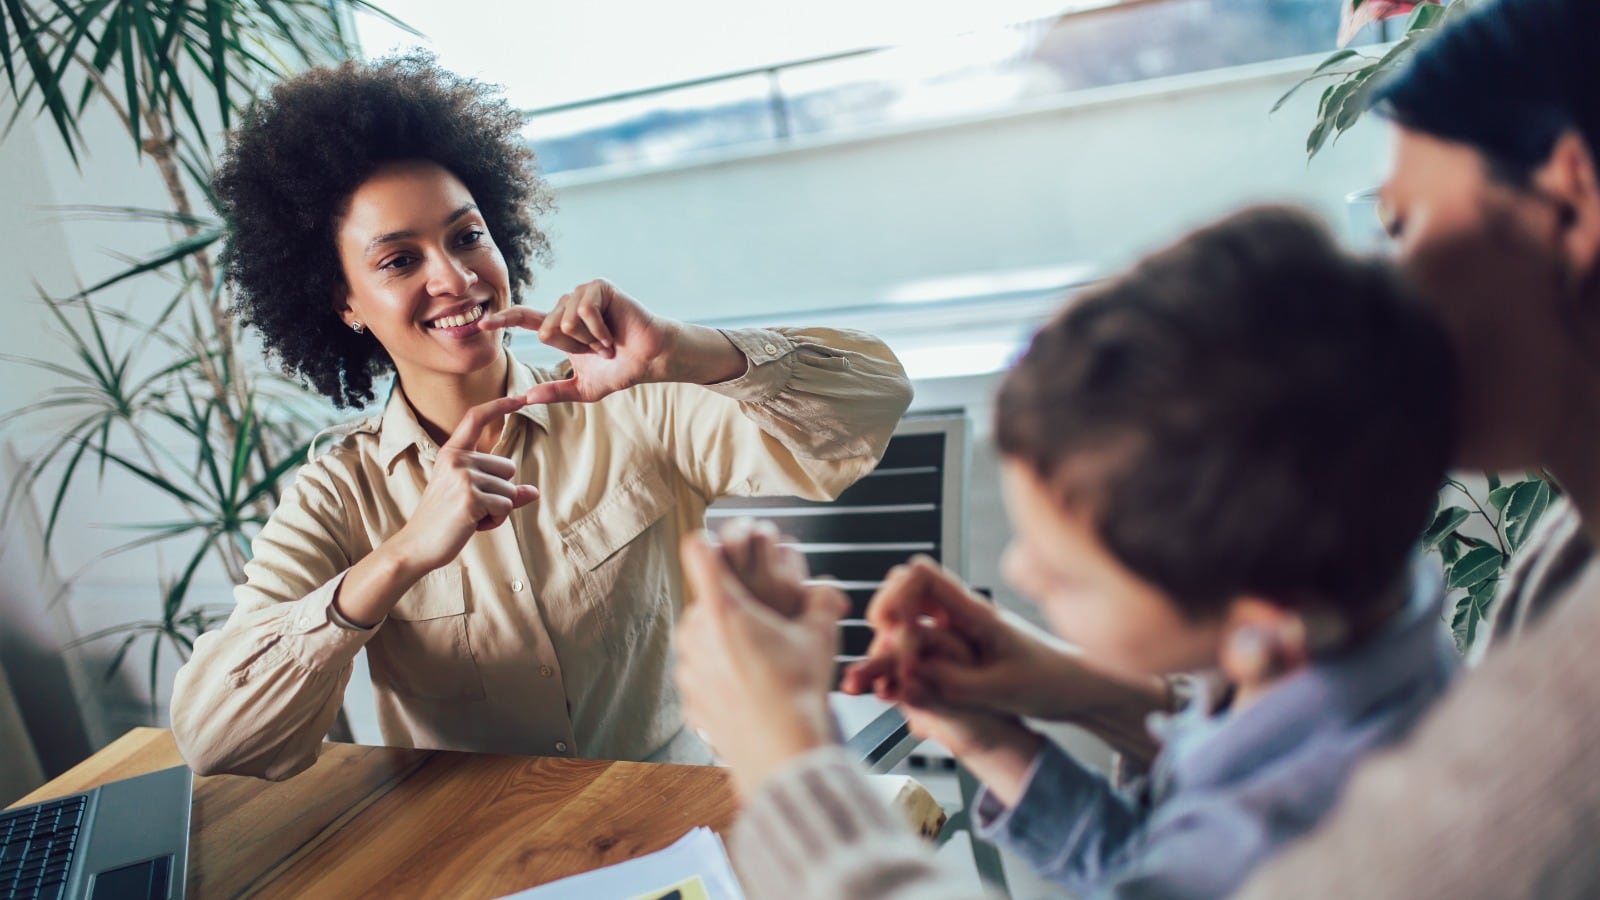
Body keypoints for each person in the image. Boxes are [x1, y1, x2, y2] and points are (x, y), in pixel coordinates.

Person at [675, 206, 1460, 898]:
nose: (1019, 573)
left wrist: (786, 765)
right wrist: (1007, 739)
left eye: (1071, 574)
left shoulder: (1316, 845)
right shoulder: (1365, 646)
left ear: (1263, 623)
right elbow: (1156, 869)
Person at [167, 53, 913, 780]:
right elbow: (216, 738)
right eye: (399, 261)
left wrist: (685, 352)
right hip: (475, 857)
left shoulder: (631, 404)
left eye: (467, 237)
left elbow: (873, 402)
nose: (456, 278)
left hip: (665, 816)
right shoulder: (339, 494)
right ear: (344, 304)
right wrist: (400, 557)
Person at [1233, 0, 1600, 895]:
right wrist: (1071, 702)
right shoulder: (1566, 557)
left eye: (1403, 227)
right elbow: (1436, 783)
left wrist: (820, 756)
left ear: (1569, 204)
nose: (1388, 290)